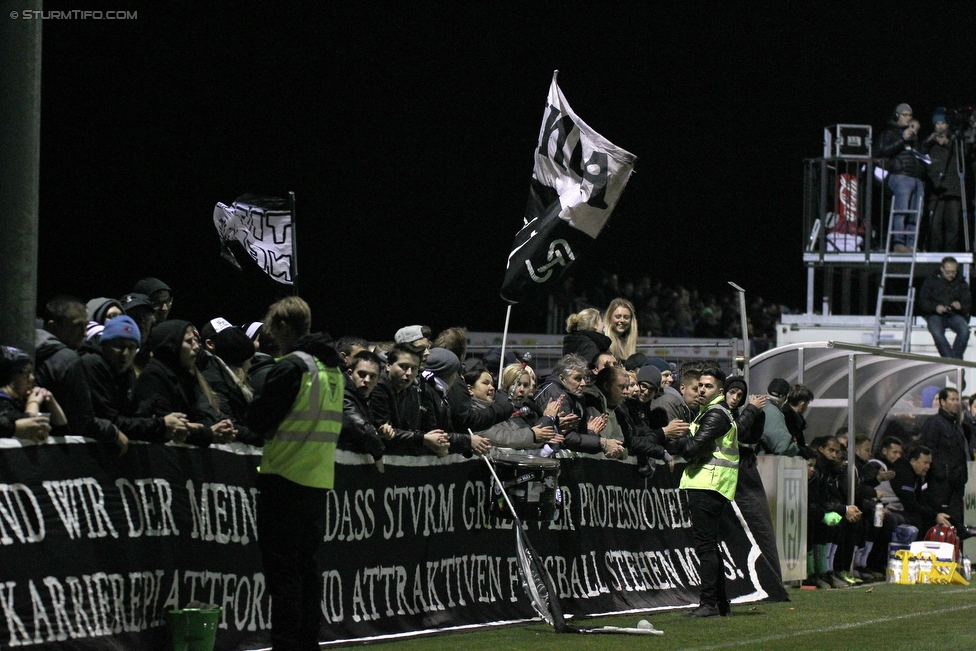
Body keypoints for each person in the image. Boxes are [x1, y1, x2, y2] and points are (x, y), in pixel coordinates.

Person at [245, 296, 345, 651]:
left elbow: (259, 420)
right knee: (307, 573)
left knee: (284, 576)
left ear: (285, 327)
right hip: (317, 483)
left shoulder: (292, 367)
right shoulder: (332, 370)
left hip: (283, 480)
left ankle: (286, 645)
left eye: (274, 329)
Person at [673, 365, 737, 617]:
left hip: (708, 483)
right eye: (699, 385)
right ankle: (720, 603)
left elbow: (691, 449)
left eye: (708, 386)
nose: (701, 389)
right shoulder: (709, 412)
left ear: (720, 390)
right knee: (709, 545)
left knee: (705, 546)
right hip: (710, 483)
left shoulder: (715, 414)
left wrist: (672, 440)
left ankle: (708, 603)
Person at [81, 315, 190, 445]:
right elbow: (111, 420)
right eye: (118, 346)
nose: (125, 354)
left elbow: (133, 418)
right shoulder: (93, 364)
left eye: (131, 347)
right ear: (104, 344)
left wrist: (172, 427)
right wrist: (161, 424)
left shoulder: (127, 371)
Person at [34, 295, 124, 452]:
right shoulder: (67, 359)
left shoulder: (29, 350)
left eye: (86, 326)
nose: (84, 333)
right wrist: (112, 431)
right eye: (77, 326)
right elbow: (82, 420)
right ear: (52, 327)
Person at [132, 320, 237, 447]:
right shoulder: (153, 377)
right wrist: (208, 433)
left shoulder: (185, 377)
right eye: (189, 341)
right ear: (171, 345)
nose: (197, 347)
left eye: (195, 340)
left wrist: (222, 427)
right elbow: (168, 427)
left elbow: (204, 414)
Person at [917, 387, 971, 532]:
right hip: (940, 484)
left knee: (955, 522)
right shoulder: (934, 423)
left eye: (957, 399)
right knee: (942, 524)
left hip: (957, 484)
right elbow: (928, 450)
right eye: (952, 399)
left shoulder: (957, 426)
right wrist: (938, 472)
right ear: (942, 401)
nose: (956, 403)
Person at [877, 103, 925, 252]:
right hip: (900, 177)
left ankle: (911, 244)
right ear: (897, 116)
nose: (908, 118)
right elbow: (882, 151)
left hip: (916, 178)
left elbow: (916, 154)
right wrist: (902, 139)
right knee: (901, 211)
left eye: (910, 115)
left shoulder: (913, 134)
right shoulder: (889, 133)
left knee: (916, 213)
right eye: (905, 115)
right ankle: (899, 243)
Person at [0, 346, 68, 441]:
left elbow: (61, 430)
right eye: (26, 373)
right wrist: (33, 403)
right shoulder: (2, 403)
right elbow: (32, 433)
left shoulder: (18, 401)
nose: (32, 378)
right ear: (11, 375)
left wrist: (50, 401)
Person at [921, 108, 963, 252]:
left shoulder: (955, 140)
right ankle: (935, 254)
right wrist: (928, 141)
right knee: (934, 225)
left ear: (947, 125)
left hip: (953, 190)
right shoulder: (930, 143)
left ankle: (950, 255)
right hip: (936, 190)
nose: (940, 126)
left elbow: (964, 154)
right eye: (937, 123)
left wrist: (947, 142)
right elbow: (919, 154)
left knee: (952, 225)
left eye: (943, 123)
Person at [917, 257, 971, 359]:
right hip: (935, 315)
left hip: (954, 315)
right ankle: (950, 360)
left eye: (953, 272)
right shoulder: (931, 281)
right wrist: (936, 307)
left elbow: (967, 304)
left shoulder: (961, 283)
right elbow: (922, 302)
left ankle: (955, 358)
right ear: (942, 269)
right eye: (948, 272)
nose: (951, 275)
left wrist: (960, 306)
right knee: (937, 332)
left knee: (964, 330)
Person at [760, 378, 800, 456]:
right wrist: (796, 449)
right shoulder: (772, 412)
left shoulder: (760, 405)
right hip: (762, 462)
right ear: (786, 396)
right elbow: (782, 446)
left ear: (766, 391)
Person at [782, 384, 814, 457]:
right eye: (807, 404)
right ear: (802, 404)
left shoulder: (781, 413)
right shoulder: (791, 419)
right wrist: (805, 451)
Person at [603, 298, 638, 362]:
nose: (622, 320)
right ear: (609, 318)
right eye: (618, 317)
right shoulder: (602, 341)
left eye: (626, 317)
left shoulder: (629, 342)